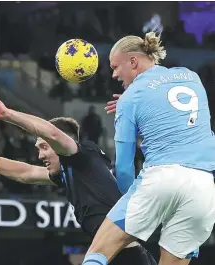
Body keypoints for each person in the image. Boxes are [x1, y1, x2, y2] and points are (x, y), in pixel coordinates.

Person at [81, 32, 215, 265]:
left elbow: (123, 165)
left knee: (98, 253)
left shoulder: (129, 98)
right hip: (203, 187)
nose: (113, 74)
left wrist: (128, 200)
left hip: (160, 178)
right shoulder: (191, 76)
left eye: (115, 67)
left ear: (133, 61)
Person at [0, 98, 157, 265]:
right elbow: (27, 173)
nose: (40, 155)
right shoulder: (71, 171)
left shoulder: (84, 157)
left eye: (44, 147)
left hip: (126, 256)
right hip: (120, 254)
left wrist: (7, 114)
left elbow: (53, 133)